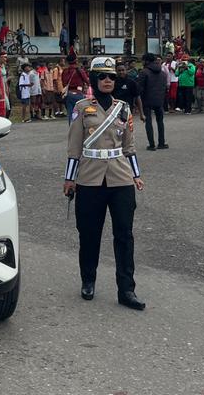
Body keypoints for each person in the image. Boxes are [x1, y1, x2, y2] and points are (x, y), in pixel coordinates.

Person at [63, 55, 145, 309]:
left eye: (111, 76)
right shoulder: (81, 108)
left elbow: (129, 147)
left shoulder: (123, 108)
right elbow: (74, 146)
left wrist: (137, 175)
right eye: (102, 76)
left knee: (124, 234)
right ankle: (88, 279)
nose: (108, 80)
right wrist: (69, 178)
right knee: (89, 234)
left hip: (120, 178)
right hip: (89, 178)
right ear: (93, 80)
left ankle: (126, 290)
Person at [138, 53, 169, 151]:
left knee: (148, 122)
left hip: (146, 100)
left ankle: (151, 144)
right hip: (159, 100)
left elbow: (140, 88)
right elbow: (164, 87)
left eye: (143, 60)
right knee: (160, 122)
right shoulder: (163, 73)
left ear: (146, 61)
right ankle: (161, 143)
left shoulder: (144, 72)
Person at [61, 52, 88, 123]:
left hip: (68, 94)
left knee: (70, 114)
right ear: (76, 60)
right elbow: (87, 81)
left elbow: (64, 83)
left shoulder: (65, 71)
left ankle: (72, 130)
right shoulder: (79, 70)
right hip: (78, 94)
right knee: (81, 114)